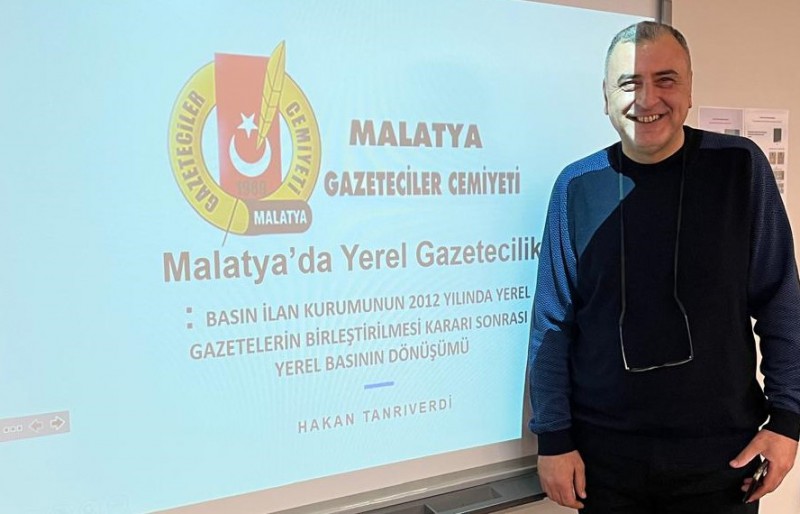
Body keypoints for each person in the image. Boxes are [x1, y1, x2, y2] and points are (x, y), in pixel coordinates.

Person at [528, 21, 800, 513]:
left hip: (723, 462)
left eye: (665, 80)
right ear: (606, 96)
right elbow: (552, 323)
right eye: (629, 83)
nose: (647, 98)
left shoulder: (739, 168)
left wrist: (787, 421)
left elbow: (781, 301)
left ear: (690, 89)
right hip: (605, 464)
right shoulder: (576, 186)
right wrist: (553, 437)